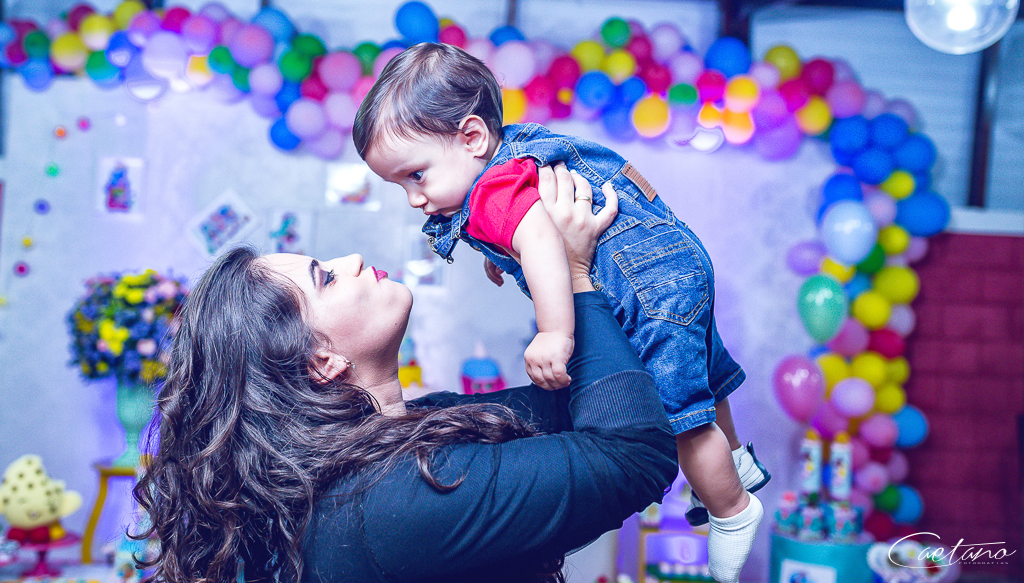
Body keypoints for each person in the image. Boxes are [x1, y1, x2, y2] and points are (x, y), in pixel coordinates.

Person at [135, 165, 678, 583]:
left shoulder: (415, 427)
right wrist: (574, 271)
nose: (351, 259)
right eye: (326, 278)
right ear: (321, 362)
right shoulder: (390, 498)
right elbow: (633, 452)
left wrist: (536, 256)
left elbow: (617, 395)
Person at [352, 42, 768, 583]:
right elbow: (529, 227)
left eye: (416, 175)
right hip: (675, 260)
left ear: (472, 137)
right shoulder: (514, 152)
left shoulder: (491, 192)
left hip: (644, 286)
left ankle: (732, 509)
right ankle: (737, 462)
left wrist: (554, 333)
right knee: (704, 381)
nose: (413, 198)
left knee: (681, 417)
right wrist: (504, 251)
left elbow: (544, 241)